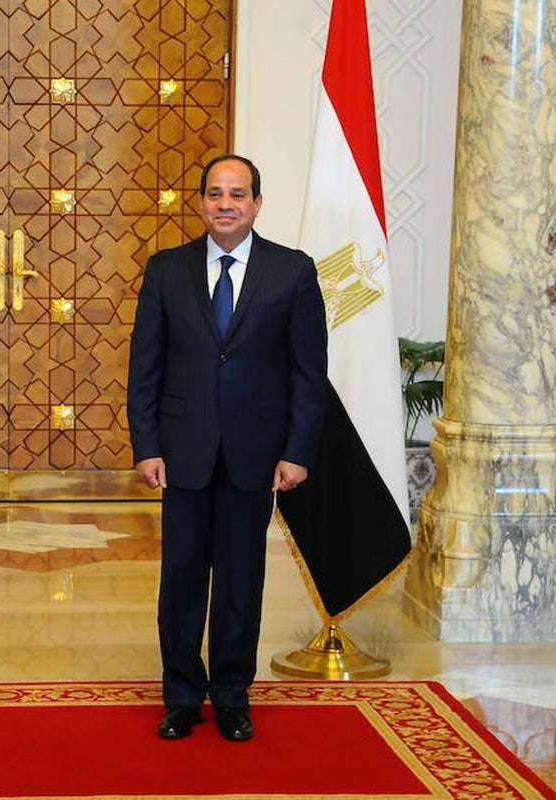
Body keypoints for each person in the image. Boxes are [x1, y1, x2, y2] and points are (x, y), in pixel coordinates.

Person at [127, 154, 327, 742]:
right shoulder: (167, 270)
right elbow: (146, 367)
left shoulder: (291, 272)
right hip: (182, 453)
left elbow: (307, 373)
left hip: (256, 455)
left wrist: (297, 451)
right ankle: (183, 695)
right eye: (215, 194)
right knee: (182, 579)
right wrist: (147, 445)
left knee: (242, 581)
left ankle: (234, 695)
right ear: (201, 202)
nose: (225, 204)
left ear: (257, 204)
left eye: (237, 194)